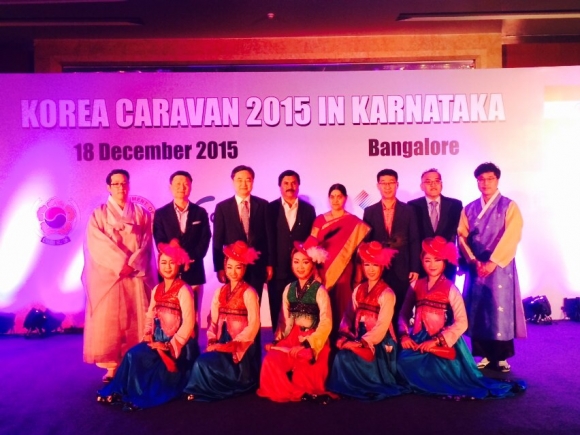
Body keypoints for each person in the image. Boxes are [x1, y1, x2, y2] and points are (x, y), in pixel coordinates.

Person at [397, 236, 525, 398]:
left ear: (445, 262)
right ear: (422, 261)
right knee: (402, 361)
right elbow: (404, 313)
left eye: (437, 260)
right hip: (419, 338)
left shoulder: (451, 288)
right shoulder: (416, 285)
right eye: (427, 260)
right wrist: (404, 334)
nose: (432, 265)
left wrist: (436, 341)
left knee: (439, 371)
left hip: (443, 341)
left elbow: (462, 322)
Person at [97, 239, 199, 410]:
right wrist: (147, 334)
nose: (167, 267)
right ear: (158, 265)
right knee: (132, 355)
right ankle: (119, 391)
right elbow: (150, 315)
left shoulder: (184, 290)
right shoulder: (157, 289)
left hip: (178, 347)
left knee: (157, 370)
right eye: (163, 263)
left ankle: (139, 396)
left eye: (172, 263)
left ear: (179, 265)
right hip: (156, 342)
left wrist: (170, 346)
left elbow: (189, 323)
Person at [82, 169, 155, 382]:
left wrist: (133, 264)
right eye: (116, 184)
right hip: (111, 277)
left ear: (129, 185)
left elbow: (146, 242)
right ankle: (112, 367)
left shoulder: (141, 213)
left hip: (135, 275)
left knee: (136, 318)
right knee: (111, 322)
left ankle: (136, 363)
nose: (121, 187)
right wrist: (120, 264)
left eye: (124, 183)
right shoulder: (98, 214)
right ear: (109, 187)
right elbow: (97, 244)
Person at [458, 162, 526, 373]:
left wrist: (493, 262)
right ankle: (484, 354)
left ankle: (502, 356)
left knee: (500, 309)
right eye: (481, 179)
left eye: (490, 179)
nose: (485, 183)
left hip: (500, 267)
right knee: (478, 308)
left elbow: (512, 235)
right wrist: (472, 260)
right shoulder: (469, 208)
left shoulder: (509, 206)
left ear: (497, 180)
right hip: (476, 265)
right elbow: (461, 235)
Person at [327, 241, 406, 401]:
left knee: (356, 358)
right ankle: (347, 386)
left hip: (379, 341)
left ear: (382, 267)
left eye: (375, 265)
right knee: (341, 356)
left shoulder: (387, 293)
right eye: (367, 264)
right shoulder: (359, 289)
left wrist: (362, 342)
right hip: (359, 336)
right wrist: (344, 336)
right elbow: (348, 315)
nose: (370, 269)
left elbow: (382, 327)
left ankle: (366, 384)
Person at [184, 241, 261, 401]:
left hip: (240, 349)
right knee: (201, 362)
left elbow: (254, 324)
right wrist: (212, 340)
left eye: (238, 267)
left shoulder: (249, 293)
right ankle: (197, 389)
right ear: (225, 267)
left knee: (204, 365)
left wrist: (232, 346)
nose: (233, 272)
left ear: (244, 268)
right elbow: (213, 320)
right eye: (229, 267)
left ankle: (202, 389)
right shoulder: (220, 291)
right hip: (220, 342)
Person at [257, 241, 333, 403]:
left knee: (303, 370)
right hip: (291, 339)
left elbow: (326, 322)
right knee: (270, 361)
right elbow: (284, 321)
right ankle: (294, 391)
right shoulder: (288, 289)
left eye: (305, 262)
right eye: (296, 262)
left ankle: (302, 390)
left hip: (313, 341)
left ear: (312, 264)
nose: (300, 267)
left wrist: (308, 344)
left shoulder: (320, 290)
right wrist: (276, 341)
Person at [310, 183, 370, 337]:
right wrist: (314, 272)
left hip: (345, 270)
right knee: (324, 304)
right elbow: (312, 246)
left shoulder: (354, 222)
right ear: (328, 198)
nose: (335, 200)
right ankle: (324, 340)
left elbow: (360, 251)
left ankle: (343, 339)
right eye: (332, 197)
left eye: (339, 197)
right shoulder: (319, 220)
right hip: (323, 270)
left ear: (345, 198)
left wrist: (359, 274)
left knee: (343, 303)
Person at [153, 170, 211, 327]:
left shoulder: (200, 212)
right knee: (169, 314)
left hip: (194, 270)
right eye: (177, 184)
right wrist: (176, 258)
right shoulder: (161, 213)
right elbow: (159, 240)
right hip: (169, 272)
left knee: (193, 315)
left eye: (186, 184)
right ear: (171, 187)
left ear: (191, 187)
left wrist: (189, 257)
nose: (182, 187)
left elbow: (205, 239)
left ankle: (192, 343)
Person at [362, 169, 421, 322]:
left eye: (391, 183)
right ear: (378, 186)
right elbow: (366, 243)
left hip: (402, 267)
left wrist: (415, 267)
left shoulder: (409, 210)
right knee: (379, 307)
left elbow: (414, 239)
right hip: (379, 269)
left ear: (397, 184)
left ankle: (400, 335)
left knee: (401, 308)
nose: (387, 187)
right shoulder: (369, 211)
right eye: (383, 183)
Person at [267, 169, 316, 330]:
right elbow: (266, 238)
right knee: (277, 306)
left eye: (293, 183)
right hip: (277, 268)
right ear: (280, 186)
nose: (290, 186)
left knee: (301, 307)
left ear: (299, 185)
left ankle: (299, 340)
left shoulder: (308, 210)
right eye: (286, 183)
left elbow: (311, 239)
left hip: (301, 269)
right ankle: (278, 339)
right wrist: (269, 264)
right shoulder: (270, 209)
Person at [408, 168, 463, 281]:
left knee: (447, 292)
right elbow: (411, 237)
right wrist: (413, 266)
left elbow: (461, 234)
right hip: (422, 264)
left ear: (441, 184)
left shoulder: (455, 205)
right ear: (422, 186)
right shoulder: (412, 206)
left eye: (436, 181)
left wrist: (462, 262)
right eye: (428, 182)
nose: (433, 185)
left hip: (447, 263)